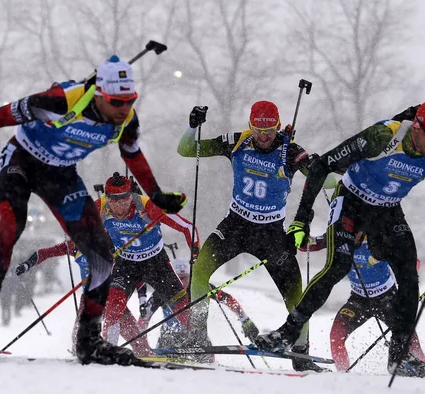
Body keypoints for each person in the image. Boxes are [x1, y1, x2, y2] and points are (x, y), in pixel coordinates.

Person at [0, 56, 187, 365]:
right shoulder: (59, 101)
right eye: (117, 101)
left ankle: (89, 341)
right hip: (21, 162)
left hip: (60, 175)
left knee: (101, 258)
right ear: (100, 94)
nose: (124, 109)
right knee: (10, 226)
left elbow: (133, 155)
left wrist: (155, 194)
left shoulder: (127, 120)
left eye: (130, 101)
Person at [255, 100, 425, 377]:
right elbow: (323, 166)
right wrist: (301, 219)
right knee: (339, 266)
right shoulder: (383, 136)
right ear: (416, 127)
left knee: (408, 276)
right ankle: (287, 333)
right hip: (351, 202)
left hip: (387, 210)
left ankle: (400, 358)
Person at [177, 101, 320, 371]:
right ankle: (196, 339)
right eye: (258, 130)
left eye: (269, 130)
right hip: (235, 226)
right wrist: (192, 127)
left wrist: (321, 166)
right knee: (199, 273)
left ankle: (301, 353)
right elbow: (186, 150)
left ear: (278, 126)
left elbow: (321, 179)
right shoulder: (237, 141)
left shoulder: (290, 150)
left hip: (271, 235)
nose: (264, 137)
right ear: (250, 126)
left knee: (297, 295)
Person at [304, 234, 425, 374]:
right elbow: (308, 244)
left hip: (387, 298)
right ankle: (343, 374)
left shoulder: (380, 236)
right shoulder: (340, 234)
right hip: (358, 300)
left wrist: (409, 266)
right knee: (336, 335)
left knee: (408, 335)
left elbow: (411, 261)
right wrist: (302, 235)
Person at [98, 173, 198, 356]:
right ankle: (107, 348)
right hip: (126, 263)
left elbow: (188, 228)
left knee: (181, 303)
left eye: (124, 200)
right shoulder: (100, 208)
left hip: (155, 262)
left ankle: (198, 345)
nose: (119, 206)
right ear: (107, 199)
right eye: (114, 201)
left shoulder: (148, 207)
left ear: (130, 197)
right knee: (113, 304)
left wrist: (195, 250)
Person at [140, 259, 259, 351]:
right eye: (178, 278)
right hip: (170, 339)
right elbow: (145, 316)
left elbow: (228, 299)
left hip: (197, 338)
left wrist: (245, 319)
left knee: (200, 338)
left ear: (190, 276)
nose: (181, 282)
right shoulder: (163, 290)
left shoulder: (200, 287)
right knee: (169, 336)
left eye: (184, 277)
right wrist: (140, 341)